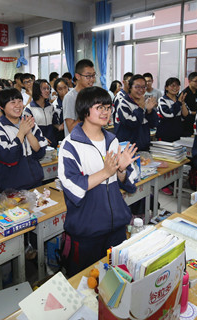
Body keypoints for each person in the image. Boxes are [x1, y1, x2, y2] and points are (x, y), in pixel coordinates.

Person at [58, 86, 139, 276]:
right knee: (86, 282)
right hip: (87, 232)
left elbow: (129, 182)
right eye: (99, 107)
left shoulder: (112, 140)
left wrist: (121, 170)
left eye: (108, 107)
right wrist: (106, 172)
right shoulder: (71, 145)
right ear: (85, 110)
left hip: (116, 228)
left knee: (116, 279)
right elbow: (73, 187)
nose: (106, 112)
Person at [0, 88, 47, 191]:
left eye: (20, 101)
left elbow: (40, 152)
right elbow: (8, 157)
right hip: (13, 188)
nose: (18, 105)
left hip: (35, 182)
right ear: (2, 107)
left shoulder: (28, 122)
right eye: (12, 102)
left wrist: (28, 132)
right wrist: (21, 133)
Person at [114, 74, 158, 152]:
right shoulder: (123, 103)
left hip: (143, 148)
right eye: (137, 87)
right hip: (128, 150)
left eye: (143, 87)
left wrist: (149, 111)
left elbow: (154, 124)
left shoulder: (146, 102)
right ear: (130, 87)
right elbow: (131, 123)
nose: (141, 90)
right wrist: (140, 108)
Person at [63, 59, 96, 136]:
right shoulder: (70, 97)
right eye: (88, 76)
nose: (92, 79)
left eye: (93, 75)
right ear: (78, 76)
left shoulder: (92, 95)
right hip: (76, 140)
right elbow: (71, 128)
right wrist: (85, 113)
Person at [24, 79, 57, 147]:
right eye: (44, 89)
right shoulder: (29, 109)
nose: (47, 91)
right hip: (37, 145)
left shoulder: (50, 107)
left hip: (52, 144)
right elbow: (28, 130)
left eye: (48, 88)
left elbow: (54, 124)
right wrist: (41, 139)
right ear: (37, 90)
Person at [156, 77, 188, 142]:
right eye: (172, 85)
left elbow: (185, 114)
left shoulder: (179, 99)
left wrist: (182, 103)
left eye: (177, 85)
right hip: (165, 134)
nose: (175, 88)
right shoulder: (162, 100)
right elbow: (168, 114)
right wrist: (178, 103)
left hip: (177, 133)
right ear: (166, 88)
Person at [181, 71, 197, 137]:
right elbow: (186, 112)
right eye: (196, 81)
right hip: (185, 124)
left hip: (195, 121)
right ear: (189, 81)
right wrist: (196, 112)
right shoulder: (184, 94)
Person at [52, 77, 69, 144]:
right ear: (56, 90)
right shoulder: (55, 105)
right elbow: (54, 123)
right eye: (60, 89)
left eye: (65, 87)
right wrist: (59, 126)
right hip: (61, 134)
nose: (63, 91)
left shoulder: (74, 100)